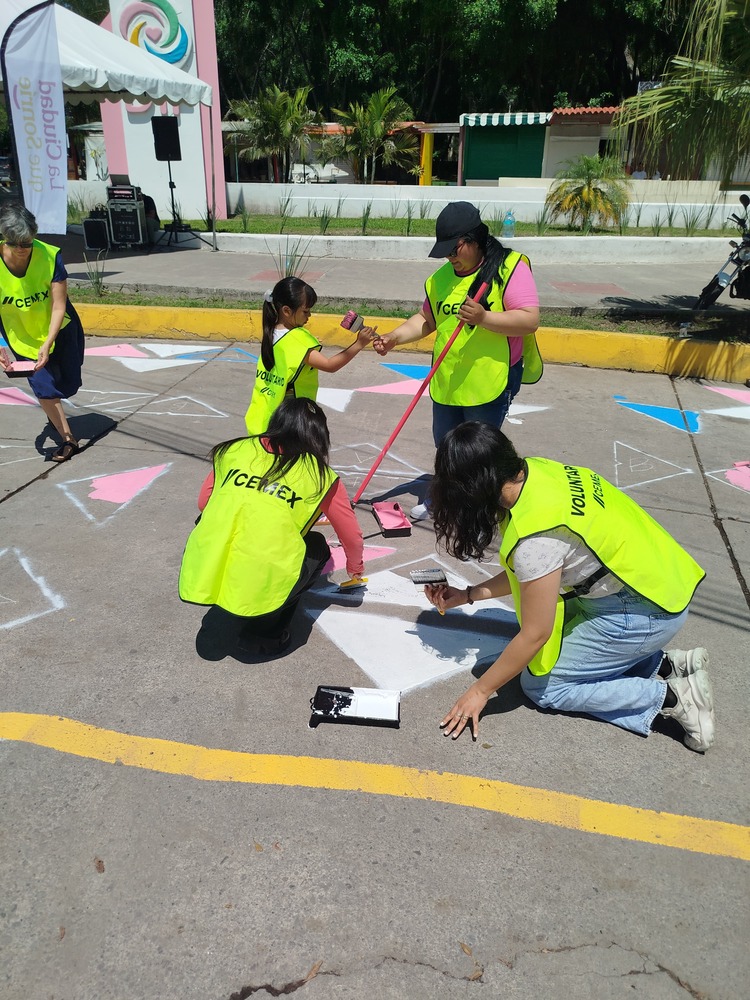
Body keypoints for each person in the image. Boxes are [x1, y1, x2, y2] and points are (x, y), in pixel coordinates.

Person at [424, 422, 714, 751]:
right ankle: (667, 664)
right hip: (663, 581)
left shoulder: (536, 540)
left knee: (544, 687)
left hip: (643, 611)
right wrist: (467, 595)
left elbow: (536, 633)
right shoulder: (537, 472)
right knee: (559, 638)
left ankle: (673, 698)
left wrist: (479, 692)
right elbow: (531, 573)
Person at [372, 201, 542, 520]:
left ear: (474, 240)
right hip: (448, 378)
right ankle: (450, 498)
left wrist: (484, 317)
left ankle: (480, 510)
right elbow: (427, 319)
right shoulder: (440, 280)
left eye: (455, 249)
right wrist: (395, 337)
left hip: (490, 378)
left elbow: (529, 320)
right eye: (446, 252)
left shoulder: (509, 267)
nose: (451, 258)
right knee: (447, 446)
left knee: (478, 453)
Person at [179, 397, 365, 655]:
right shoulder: (320, 475)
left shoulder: (234, 450)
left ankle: (227, 594)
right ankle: (264, 632)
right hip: (263, 568)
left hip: (212, 556)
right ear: (318, 436)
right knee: (317, 546)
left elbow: (204, 504)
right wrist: (355, 568)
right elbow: (352, 537)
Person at [0, 201, 84, 461]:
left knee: (67, 384)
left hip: (60, 329)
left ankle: (59, 403)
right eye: (15, 243)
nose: (23, 249)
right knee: (45, 387)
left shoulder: (49, 255)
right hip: (22, 336)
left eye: (28, 242)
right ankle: (68, 439)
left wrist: (48, 342)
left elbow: (59, 306)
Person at [244, 276, 376, 435]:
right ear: (286, 310)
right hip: (288, 420)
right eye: (305, 311)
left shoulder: (271, 329)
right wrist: (359, 344)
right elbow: (330, 365)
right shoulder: (298, 340)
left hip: (263, 414)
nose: (309, 315)